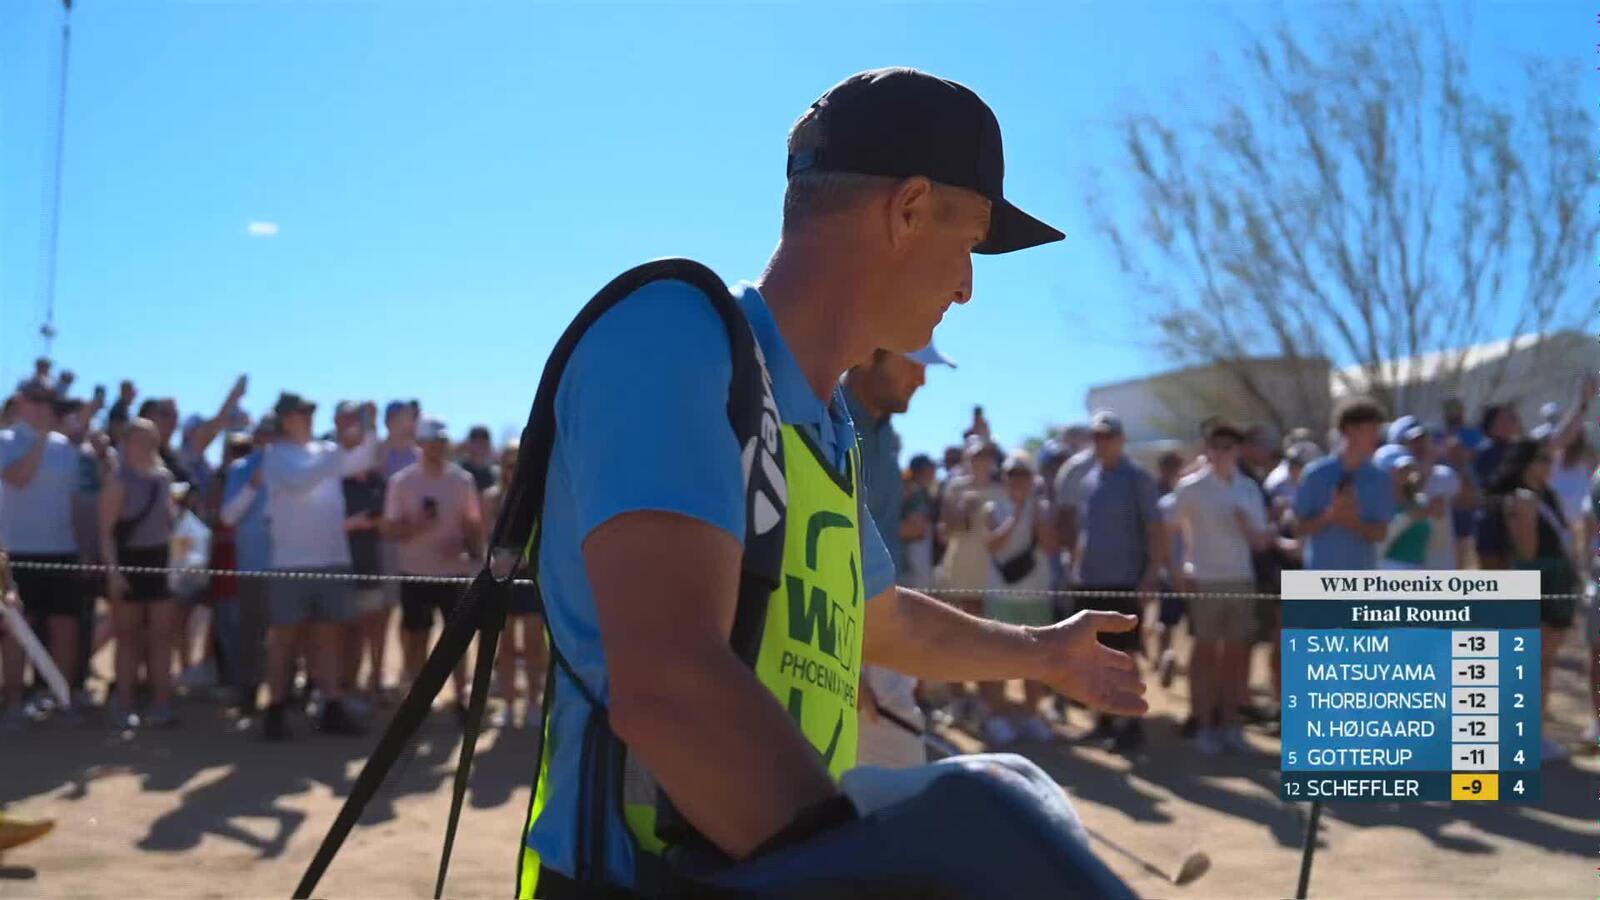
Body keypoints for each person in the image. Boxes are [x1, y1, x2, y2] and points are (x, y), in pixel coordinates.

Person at [509, 68, 1144, 899]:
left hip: (774, 868)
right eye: (971, 240)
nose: (967, 284)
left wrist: (1040, 652)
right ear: (908, 208)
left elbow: (874, 619)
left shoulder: (825, 422)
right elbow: (670, 685)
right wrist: (872, 870)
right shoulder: (674, 337)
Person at [843, 342, 956, 768]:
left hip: (885, 623)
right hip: (842, 639)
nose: (922, 378)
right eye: (912, 364)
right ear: (870, 355)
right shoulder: (825, 420)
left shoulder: (887, 433)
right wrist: (847, 662)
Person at [259, 392, 376, 740]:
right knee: (283, 640)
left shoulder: (327, 451)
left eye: (310, 411)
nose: (308, 417)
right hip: (291, 563)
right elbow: (300, 481)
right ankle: (276, 709)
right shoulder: (275, 455)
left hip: (332, 558)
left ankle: (332, 706)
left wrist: (369, 426)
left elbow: (362, 460)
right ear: (285, 419)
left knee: (329, 637)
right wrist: (340, 448)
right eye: (301, 412)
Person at [1170, 421, 1268, 755]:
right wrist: (1178, 567)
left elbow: (1260, 539)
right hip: (1206, 580)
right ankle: (1203, 724)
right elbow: (1169, 526)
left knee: (1236, 656)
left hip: (1241, 579)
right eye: (1216, 446)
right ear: (1207, 450)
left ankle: (1230, 724)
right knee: (1206, 654)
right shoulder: (1191, 487)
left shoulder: (1249, 488)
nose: (1221, 453)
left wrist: (1249, 529)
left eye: (1228, 447)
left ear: (1238, 451)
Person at [1069, 409, 1163, 752]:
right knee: (1095, 655)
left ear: (1121, 440)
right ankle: (1104, 720)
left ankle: (1132, 723)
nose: (1101, 443)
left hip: (1124, 580)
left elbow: (1155, 529)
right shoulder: (1089, 479)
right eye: (1096, 437)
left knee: (1126, 656)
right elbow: (1085, 531)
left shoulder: (1137, 478)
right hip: (1090, 580)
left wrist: (1151, 575)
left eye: (1108, 436)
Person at [1485, 440, 1579, 762]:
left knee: (1545, 662)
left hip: (1557, 580)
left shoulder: (1548, 496)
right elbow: (1526, 552)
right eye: (1542, 459)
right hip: (1535, 584)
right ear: (1526, 464)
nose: (1548, 464)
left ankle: (1534, 732)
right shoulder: (1521, 500)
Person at [382, 417, 483, 713]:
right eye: (432, 442)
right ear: (421, 444)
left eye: (442, 442)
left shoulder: (462, 481)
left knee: (457, 638)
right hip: (414, 572)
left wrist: (467, 546)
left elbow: (474, 525)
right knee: (416, 635)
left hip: (454, 573)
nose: (437, 447)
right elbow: (389, 529)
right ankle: (417, 695)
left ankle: (461, 695)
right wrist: (415, 526)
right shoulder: (401, 482)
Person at [0, 379, 86, 723]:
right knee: (18, 631)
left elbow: (74, 501)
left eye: (49, 402)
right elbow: (18, 477)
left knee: (65, 628)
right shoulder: (5, 440)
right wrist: (40, 438)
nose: (44, 408)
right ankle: (15, 702)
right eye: (37, 401)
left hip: (63, 550)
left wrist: (85, 548)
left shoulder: (66, 448)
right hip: (16, 551)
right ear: (21, 402)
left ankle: (61, 698)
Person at [98, 417, 180, 728]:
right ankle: (125, 702)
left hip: (160, 560)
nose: (149, 445)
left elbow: (168, 521)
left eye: (153, 440)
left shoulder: (164, 477)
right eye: (143, 439)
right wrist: (114, 572)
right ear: (128, 442)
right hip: (127, 561)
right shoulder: (118, 480)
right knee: (128, 638)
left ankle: (162, 701)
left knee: (161, 638)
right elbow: (105, 532)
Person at [976, 452, 1059, 746]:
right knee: (998, 657)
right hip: (1001, 594)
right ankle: (997, 717)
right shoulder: (992, 507)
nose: (1018, 480)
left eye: (1023, 473)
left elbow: (1050, 545)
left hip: (1035, 593)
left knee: (1036, 659)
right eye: (1012, 474)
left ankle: (1031, 716)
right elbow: (992, 544)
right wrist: (1016, 515)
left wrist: (1036, 515)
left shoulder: (1043, 507)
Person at [483, 441, 546, 730]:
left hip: (532, 578)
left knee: (535, 644)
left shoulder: (541, 497)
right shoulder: (492, 499)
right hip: (501, 578)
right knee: (505, 646)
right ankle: (508, 705)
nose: (513, 470)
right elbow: (486, 538)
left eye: (518, 463)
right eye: (508, 465)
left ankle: (533, 702)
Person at [1293, 397, 1395, 571]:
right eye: (1371, 429)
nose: (1376, 437)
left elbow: (1381, 533)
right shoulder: (1314, 475)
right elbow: (1298, 529)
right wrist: (1330, 516)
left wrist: (1353, 522)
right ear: (1350, 430)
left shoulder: (1380, 478)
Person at [219, 415, 278, 717]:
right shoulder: (241, 469)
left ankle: (285, 693)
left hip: (289, 565)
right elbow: (228, 517)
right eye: (265, 435)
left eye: (275, 435)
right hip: (253, 565)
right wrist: (253, 486)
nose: (270, 441)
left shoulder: (293, 467)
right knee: (251, 633)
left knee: (286, 634)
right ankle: (248, 692)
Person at [335, 402, 391, 707]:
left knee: (374, 626)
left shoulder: (377, 482)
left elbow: (385, 518)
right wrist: (355, 523)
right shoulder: (334, 478)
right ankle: (347, 687)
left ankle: (374, 683)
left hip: (372, 563)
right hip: (344, 566)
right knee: (348, 631)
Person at [458, 425, 498, 494]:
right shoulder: (459, 471)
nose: (479, 447)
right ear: (468, 445)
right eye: (475, 442)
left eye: (483, 442)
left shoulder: (496, 474)